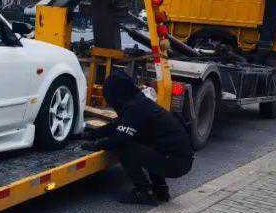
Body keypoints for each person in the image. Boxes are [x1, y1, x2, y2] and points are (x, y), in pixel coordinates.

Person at [83, 70, 193, 204]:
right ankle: (160, 190)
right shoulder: (138, 102)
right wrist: (91, 135)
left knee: (125, 148)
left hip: (175, 162)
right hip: (180, 158)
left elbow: (119, 137)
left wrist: (96, 145)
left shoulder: (134, 108)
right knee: (147, 144)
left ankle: (143, 192)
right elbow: (116, 125)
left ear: (115, 94)